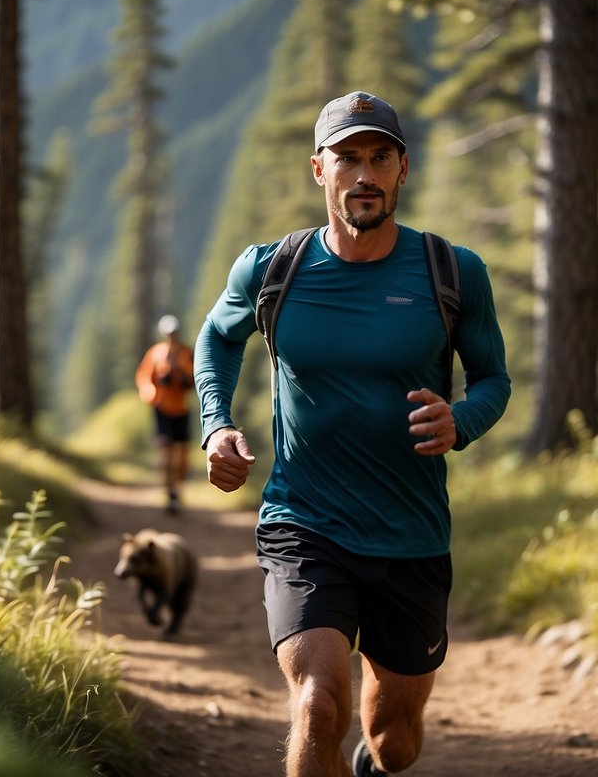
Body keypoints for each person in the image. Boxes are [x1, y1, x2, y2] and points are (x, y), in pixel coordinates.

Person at [193, 91, 510, 776]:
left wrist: (462, 420)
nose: (362, 174)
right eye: (346, 159)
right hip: (303, 522)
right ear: (319, 171)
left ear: (402, 169)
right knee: (316, 706)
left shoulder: (451, 272)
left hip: (411, 534)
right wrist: (216, 425)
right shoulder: (271, 269)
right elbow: (215, 339)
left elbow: (493, 380)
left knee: (393, 740)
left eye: (378, 157)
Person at [136, 314, 196, 514]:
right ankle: (169, 492)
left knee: (181, 455)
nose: (172, 336)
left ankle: (177, 489)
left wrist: (182, 373)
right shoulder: (155, 354)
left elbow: (195, 377)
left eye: (174, 333)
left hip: (181, 410)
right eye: (169, 333)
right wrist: (150, 393)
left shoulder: (187, 354)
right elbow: (144, 377)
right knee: (165, 450)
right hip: (162, 408)